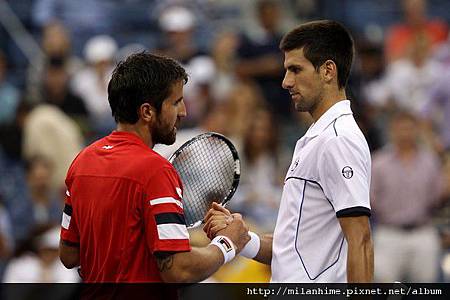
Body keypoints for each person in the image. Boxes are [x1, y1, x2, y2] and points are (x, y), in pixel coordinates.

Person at [205, 20, 374, 283]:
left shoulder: (338, 140)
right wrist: (240, 237)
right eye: (286, 70)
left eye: (296, 69)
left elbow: (360, 240)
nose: (285, 82)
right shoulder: (314, 139)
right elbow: (294, 250)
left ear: (328, 71)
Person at [58, 52, 250, 285]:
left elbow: (69, 255)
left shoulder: (82, 162)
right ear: (147, 112)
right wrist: (226, 244)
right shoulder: (156, 170)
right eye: (176, 102)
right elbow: (177, 270)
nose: (184, 112)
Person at [371, 111, 444, 282]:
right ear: (392, 131)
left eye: (409, 129)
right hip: (389, 232)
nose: (405, 133)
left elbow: (436, 197)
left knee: (426, 288)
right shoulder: (379, 162)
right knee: (388, 289)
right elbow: (370, 198)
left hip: (422, 231)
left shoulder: (430, 161)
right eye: (400, 129)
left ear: (415, 131)